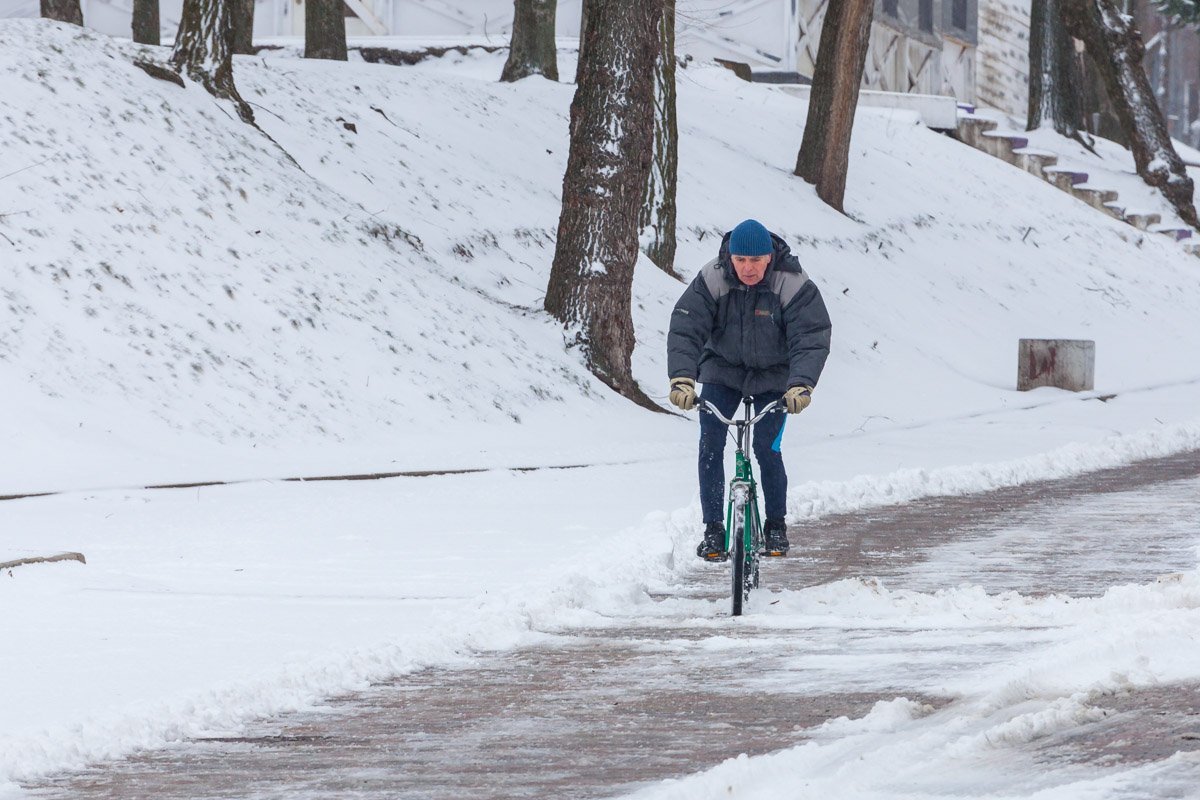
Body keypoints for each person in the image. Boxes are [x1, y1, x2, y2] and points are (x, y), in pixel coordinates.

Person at [666, 219, 831, 561]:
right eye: (740, 259)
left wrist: (801, 384)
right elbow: (686, 326)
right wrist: (682, 378)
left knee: (766, 448)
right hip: (722, 370)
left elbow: (810, 336)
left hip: (775, 377)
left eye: (756, 260)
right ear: (731, 257)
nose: (748, 268)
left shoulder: (791, 282)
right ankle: (713, 530)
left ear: (769, 257)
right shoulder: (712, 277)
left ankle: (776, 525)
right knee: (710, 443)